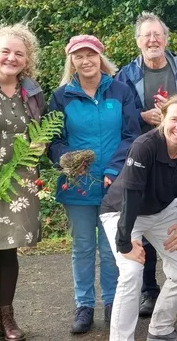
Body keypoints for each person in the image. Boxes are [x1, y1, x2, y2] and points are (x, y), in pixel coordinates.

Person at [48, 35, 141, 334]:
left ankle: (113, 302)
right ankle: (84, 305)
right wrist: (67, 159)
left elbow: (132, 135)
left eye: (91, 54)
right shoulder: (61, 96)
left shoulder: (121, 90)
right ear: (71, 61)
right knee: (83, 246)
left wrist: (115, 169)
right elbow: (53, 139)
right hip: (77, 184)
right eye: (78, 56)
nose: (85, 61)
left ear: (101, 57)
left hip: (116, 183)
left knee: (112, 246)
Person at [100, 95, 177, 341]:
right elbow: (131, 193)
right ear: (163, 119)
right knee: (130, 273)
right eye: (174, 119)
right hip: (123, 212)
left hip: (162, 212)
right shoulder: (144, 145)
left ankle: (160, 330)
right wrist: (124, 241)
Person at [115, 11, 177, 316]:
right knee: (143, 216)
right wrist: (141, 115)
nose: (152, 40)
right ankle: (149, 291)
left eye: (157, 34)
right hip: (143, 154)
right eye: (146, 35)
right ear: (138, 41)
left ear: (166, 38)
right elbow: (121, 112)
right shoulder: (126, 75)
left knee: (175, 217)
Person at [0, 24, 46, 341]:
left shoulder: (31, 91)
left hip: (19, 180)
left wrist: (39, 144)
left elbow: (39, 130)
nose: (11, 58)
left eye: (19, 53)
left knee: (9, 250)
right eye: (5, 51)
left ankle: (9, 317)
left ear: (27, 59)